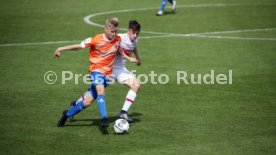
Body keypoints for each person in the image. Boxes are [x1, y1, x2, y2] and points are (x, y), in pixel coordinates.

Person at [54, 17, 121, 128]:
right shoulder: (95, 40)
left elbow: (121, 51)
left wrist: (130, 58)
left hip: (108, 75)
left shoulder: (118, 39)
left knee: (88, 102)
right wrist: (61, 48)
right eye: (112, 31)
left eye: (115, 32)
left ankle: (66, 114)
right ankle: (104, 118)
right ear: (106, 29)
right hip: (96, 71)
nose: (114, 34)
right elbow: (78, 46)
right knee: (101, 91)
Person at [112, 20, 142, 122]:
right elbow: (117, 50)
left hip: (120, 70)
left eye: (137, 34)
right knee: (93, 95)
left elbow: (134, 47)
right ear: (128, 31)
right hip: (110, 68)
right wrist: (129, 58)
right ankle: (75, 105)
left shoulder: (135, 40)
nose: (135, 36)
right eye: (133, 33)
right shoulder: (120, 38)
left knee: (136, 85)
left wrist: (138, 58)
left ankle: (123, 112)